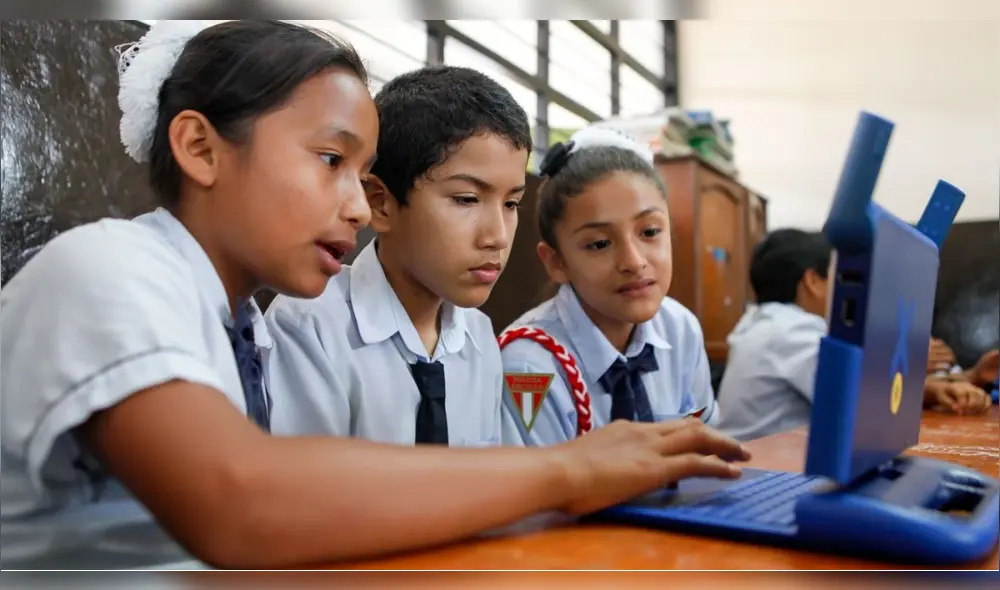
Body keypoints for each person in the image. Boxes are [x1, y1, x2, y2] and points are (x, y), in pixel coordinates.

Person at [0, 20, 751, 570]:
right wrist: (573, 467)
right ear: (200, 148)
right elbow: (240, 504)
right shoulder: (105, 270)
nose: (358, 209)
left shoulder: (238, 331)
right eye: (330, 160)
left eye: (359, 176)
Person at [264, 65, 527, 447]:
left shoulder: (480, 336)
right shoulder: (311, 325)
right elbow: (310, 495)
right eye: (466, 199)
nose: (498, 237)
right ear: (381, 204)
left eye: (512, 203)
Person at [498, 127, 721, 447]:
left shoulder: (680, 329)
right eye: (600, 243)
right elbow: (532, 490)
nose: (633, 261)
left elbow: (707, 447)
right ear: (556, 262)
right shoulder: (529, 367)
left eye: (650, 232)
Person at [717, 229, 991, 442]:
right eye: (839, 277)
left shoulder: (766, 322)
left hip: (765, 463)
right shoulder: (790, 331)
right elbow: (863, 399)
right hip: (762, 476)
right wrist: (904, 356)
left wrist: (956, 382)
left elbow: (857, 387)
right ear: (813, 281)